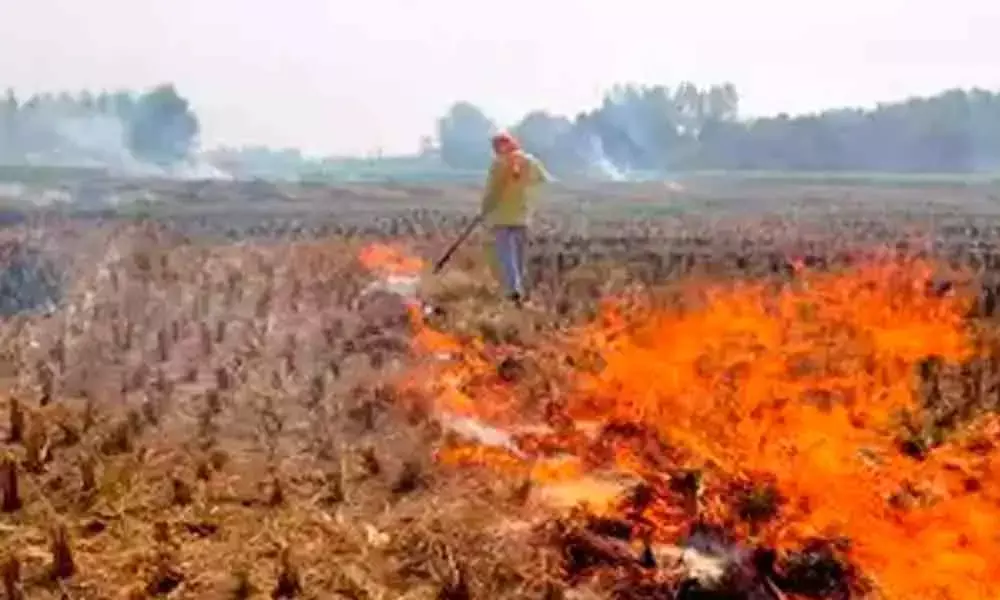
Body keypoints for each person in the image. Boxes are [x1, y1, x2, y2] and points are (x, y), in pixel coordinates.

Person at [480, 131, 550, 306]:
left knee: (506, 255)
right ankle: (519, 291)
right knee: (518, 257)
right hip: (522, 215)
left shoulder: (499, 163)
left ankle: (513, 290)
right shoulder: (529, 161)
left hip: (502, 216)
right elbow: (542, 178)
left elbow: (491, 190)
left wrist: (484, 210)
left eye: (496, 146)